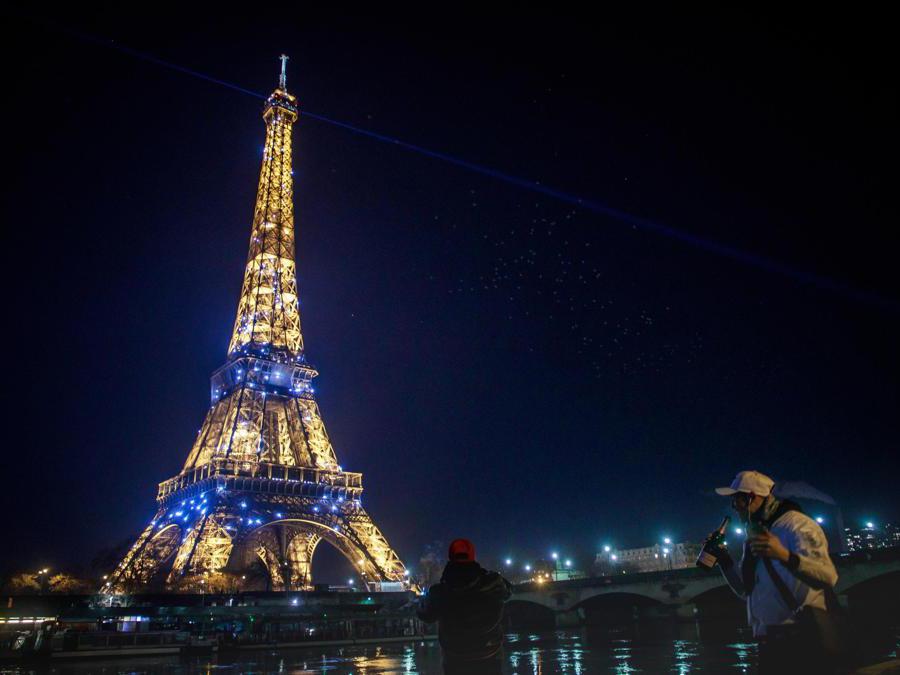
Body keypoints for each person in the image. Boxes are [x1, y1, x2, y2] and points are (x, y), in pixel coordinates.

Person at [712, 470, 841, 673]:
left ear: (751, 498)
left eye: (736, 500)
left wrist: (784, 555)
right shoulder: (756, 534)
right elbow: (747, 592)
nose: (733, 508)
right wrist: (723, 560)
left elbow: (827, 576)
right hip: (770, 644)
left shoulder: (796, 525)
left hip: (802, 641)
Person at [417, 538, 512, 675]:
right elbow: (508, 591)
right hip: (490, 657)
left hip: (456, 659)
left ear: (451, 557)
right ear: (473, 555)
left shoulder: (440, 592)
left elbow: (425, 614)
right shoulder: (494, 583)